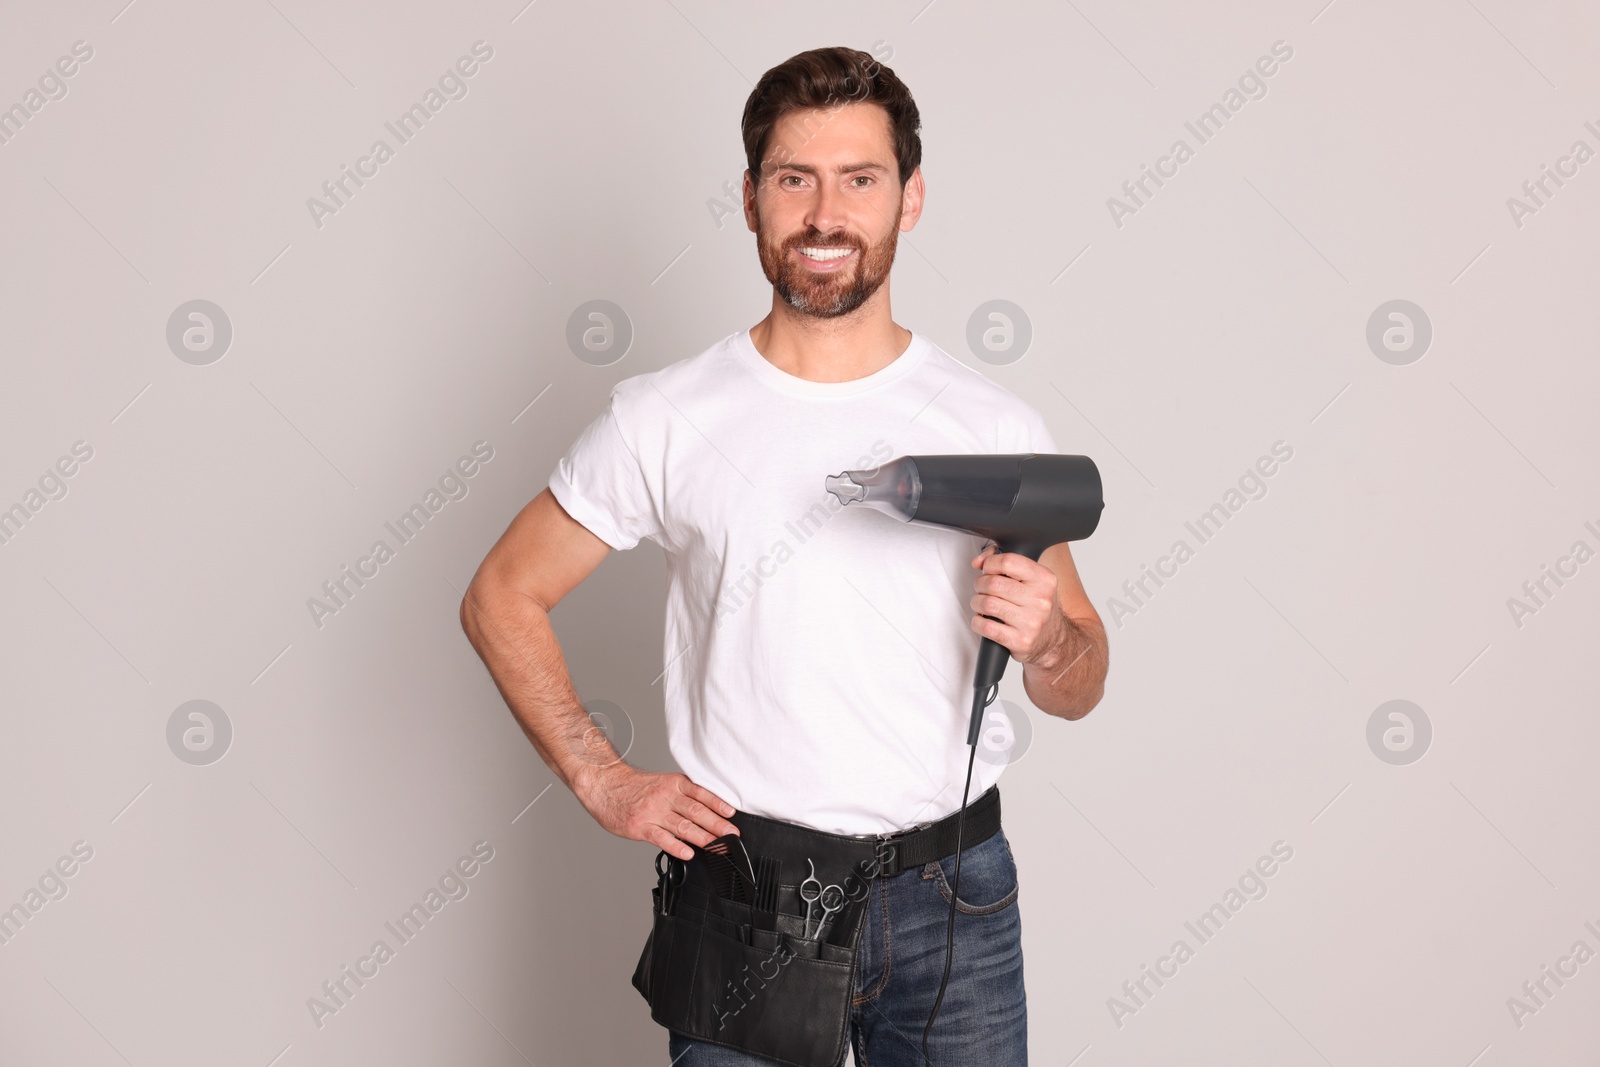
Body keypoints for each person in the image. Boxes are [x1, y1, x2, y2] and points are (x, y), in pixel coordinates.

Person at [460, 45, 1108, 1067]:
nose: (824, 213)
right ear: (752, 197)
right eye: (792, 178)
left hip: (956, 900)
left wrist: (1051, 641)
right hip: (749, 903)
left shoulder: (991, 426)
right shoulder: (667, 417)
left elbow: (1081, 682)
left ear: (911, 196)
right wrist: (602, 778)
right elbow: (501, 594)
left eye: (860, 178)